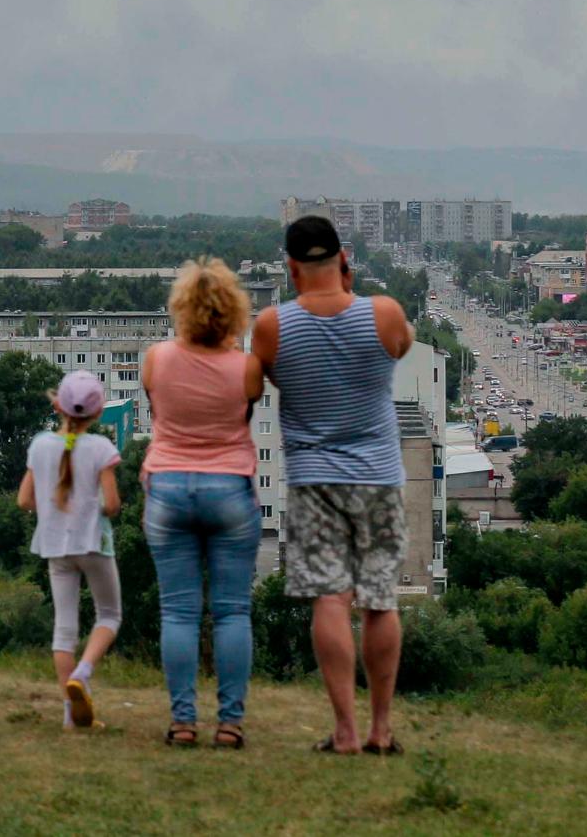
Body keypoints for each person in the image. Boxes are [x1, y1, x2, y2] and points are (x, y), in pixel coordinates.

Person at [250, 215, 414, 756]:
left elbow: (268, 376)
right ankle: (381, 729)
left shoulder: (272, 326)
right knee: (379, 601)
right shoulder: (383, 313)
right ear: (344, 258)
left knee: (330, 598)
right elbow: (402, 346)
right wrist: (350, 290)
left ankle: (343, 730)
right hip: (379, 478)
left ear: (291, 268)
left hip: (313, 478)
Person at [140, 258, 264, 749]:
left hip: (168, 488)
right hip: (229, 489)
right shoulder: (247, 368)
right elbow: (244, 413)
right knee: (232, 612)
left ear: (181, 310)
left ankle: (183, 721)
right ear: (234, 312)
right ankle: (230, 723)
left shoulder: (156, 359)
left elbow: (158, 406)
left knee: (179, 613)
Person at [17, 369, 123, 730]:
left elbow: (24, 499)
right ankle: (84, 671)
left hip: (54, 547)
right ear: (96, 413)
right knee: (109, 615)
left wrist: (51, 508)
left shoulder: (40, 445)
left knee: (64, 630)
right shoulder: (101, 448)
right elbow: (111, 504)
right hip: (93, 543)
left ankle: (69, 714)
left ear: (58, 406)